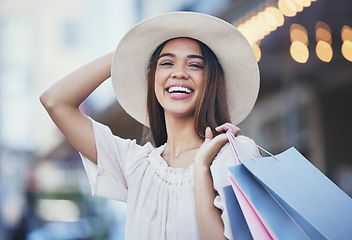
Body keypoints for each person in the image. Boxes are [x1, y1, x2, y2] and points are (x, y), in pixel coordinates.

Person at [40, 11, 260, 240]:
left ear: (211, 81)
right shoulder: (135, 164)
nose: (179, 73)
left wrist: (202, 167)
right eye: (166, 63)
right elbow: (55, 101)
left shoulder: (232, 155)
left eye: (194, 65)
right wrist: (131, 51)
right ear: (153, 78)